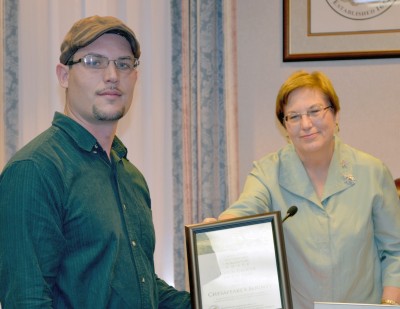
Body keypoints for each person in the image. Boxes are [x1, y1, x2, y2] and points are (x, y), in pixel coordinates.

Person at [0, 15, 191, 308]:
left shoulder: (131, 176)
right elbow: (27, 299)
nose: (112, 75)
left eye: (124, 63)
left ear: (135, 77)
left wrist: (213, 301)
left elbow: (140, 287)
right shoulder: (35, 169)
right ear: (63, 75)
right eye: (94, 61)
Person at [216, 70, 400, 308]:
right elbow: (243, 211)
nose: (306, 124)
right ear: (285, 126)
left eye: (315, 111)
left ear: (335, 114)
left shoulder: (372, 172)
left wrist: (388, 304)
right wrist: (219, 231)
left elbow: (395, 251)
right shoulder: (267, 172)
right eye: (293, 116)